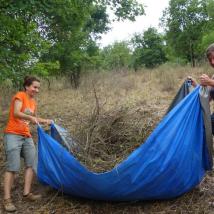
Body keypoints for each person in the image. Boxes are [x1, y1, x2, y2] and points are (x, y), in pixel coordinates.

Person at [3, 76, 52, 212]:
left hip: (26, 136)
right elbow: (16, 113)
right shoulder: (20, 96)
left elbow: (34, 119)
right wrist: (30, 117)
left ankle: (27, 193)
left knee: (30, 164)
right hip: (13, 134)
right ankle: (7, 199)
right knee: (13, 167)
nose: (37, 90)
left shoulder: (33, 102)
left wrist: (46, 121)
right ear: (27, 86)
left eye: (38, 88)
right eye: (34, 87)